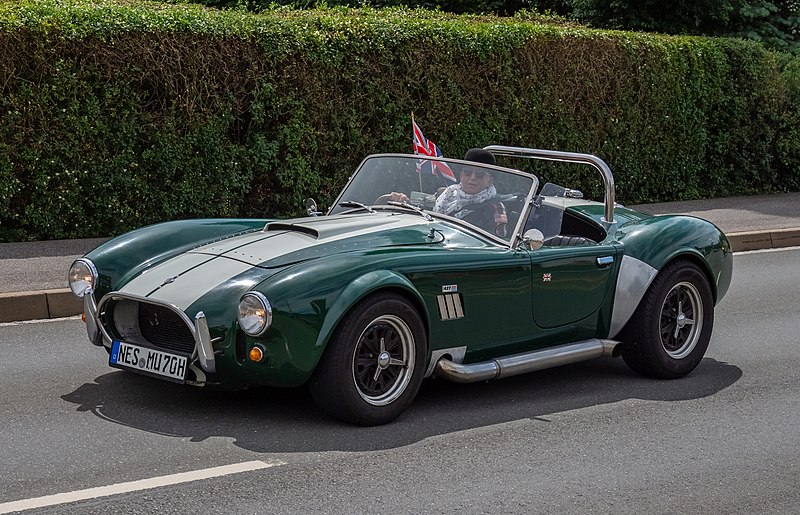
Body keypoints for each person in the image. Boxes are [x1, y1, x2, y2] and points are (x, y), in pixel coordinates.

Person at [433, 149, 508, 237]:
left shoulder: (496, 208)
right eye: (467, 172)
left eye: (480, 174)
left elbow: (498, 243)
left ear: (489, 181)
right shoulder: (444, 194)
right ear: (461, 175)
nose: (472, 177)